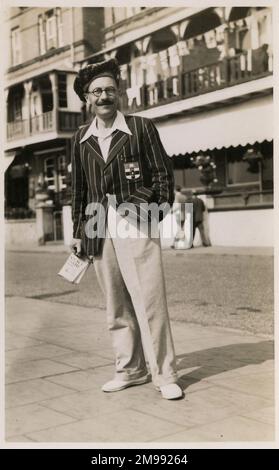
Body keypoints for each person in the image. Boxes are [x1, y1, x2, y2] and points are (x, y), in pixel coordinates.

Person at [70, 59, 182, 400]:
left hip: (136, 220)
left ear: (119, 94)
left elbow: (164, 177)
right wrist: (78, 230)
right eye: (97, 91)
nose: (104, 96)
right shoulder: (79, 138)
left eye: (110, 90)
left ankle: (164, 374)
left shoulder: (142, 127)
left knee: (149, 299)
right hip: (97, 223)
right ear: (87, 99)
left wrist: (151, 213)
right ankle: (130, 369)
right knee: (115, 304)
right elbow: (79, 189)